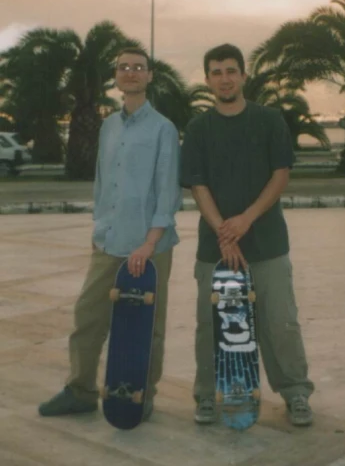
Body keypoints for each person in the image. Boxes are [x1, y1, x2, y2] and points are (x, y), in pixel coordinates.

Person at [39, 47, 182, 420]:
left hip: (150, 246)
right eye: (123, 68)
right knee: (88, 317)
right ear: (115, 76)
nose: (131, 73)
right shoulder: (108, 126)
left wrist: (149, 244)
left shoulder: (163, 128)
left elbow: (167, 192)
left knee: (147, 327)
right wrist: (98, 228)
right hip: (110, 241)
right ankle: (80, 390)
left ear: (150, 76)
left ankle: (140, 395)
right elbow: (103, 182)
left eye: (138, 67)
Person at [180, 43, 314, 427]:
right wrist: (225, 233)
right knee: (211, 325)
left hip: (268, 244)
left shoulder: (270, 120)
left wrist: (246, 221)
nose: (224, 78)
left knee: (281, 323)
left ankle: (296, 393)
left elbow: (280, 174)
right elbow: (197, 183)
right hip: (215, 249)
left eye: (231, 70)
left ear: (243, 75)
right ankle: (208, 396)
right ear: (207, 79)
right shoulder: (198, 128)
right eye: (216, 72)